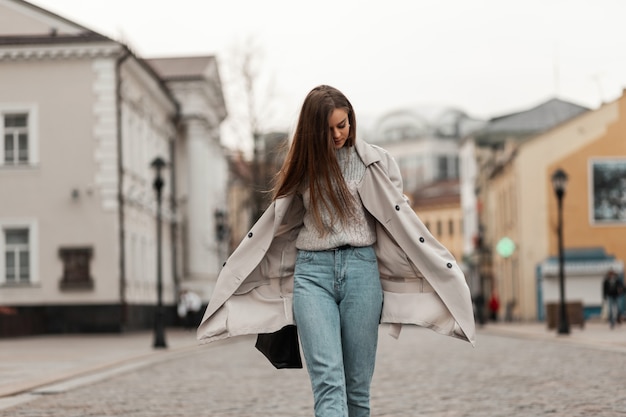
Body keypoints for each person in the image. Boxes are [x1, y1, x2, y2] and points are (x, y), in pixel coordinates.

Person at [197, 85, 476, 417]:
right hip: (311, 276)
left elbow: (396, 220)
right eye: (328, 129)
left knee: (357, 388)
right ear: (312, 131)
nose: (338, 134)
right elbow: (281, 224)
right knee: (328, 383)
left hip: (362, 271)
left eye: (342, 124)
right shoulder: (301, 167)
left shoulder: (376, 163)